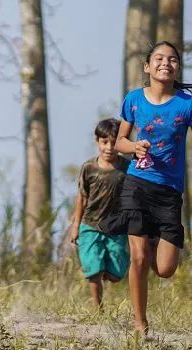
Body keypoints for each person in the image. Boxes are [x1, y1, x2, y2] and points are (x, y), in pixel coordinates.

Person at [99, 41, 192, 335]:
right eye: (159, 58)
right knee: (138, 258)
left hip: (169, 192)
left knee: (165, 269)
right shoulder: (134, 100)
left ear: (178, 67)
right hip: (138, 184)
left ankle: (153, 237)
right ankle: (141, 325)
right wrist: (133, 146)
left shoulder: (186, 104)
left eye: (173, 59)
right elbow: (121, 140)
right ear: (147, 66)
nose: (166, 62)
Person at [70, 118, 130, 310]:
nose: (109, 147)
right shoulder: (89, 168)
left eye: (114, 142)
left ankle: (106, 269)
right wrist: (76, 226)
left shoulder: (127, 168)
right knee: (93, 270)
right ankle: (98, 307)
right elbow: (82, 198)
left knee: (116, 275)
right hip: (90, 225)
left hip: (116, 227)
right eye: (105, 142)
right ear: (97, 141)